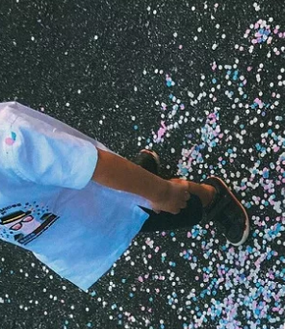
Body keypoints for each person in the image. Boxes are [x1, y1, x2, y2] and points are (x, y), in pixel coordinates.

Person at [0, 101, 249, 291]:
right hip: (78, 225)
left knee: (180, 210)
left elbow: (93, 165)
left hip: (109, 202)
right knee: (134, 199)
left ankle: (212, 197)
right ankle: (142, 175)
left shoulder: (11, 141)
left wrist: (163, 192)